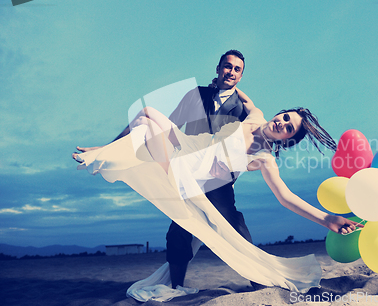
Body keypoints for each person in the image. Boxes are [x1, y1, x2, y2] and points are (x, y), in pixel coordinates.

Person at [73, 85, 362, 301]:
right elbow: (242, 95)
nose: (282, 124)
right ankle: (104, 149)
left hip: (194, 176)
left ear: (286, 140)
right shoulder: (255, 115)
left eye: (288, 129)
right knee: (146, 114)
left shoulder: (264, 156)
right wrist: (229, 79)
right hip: (185, 149)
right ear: (279, 112)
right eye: (285, 117)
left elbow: (285, 197)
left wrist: (328, 219)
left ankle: (259, 281)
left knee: (226, 227)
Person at [75, 50, 254, 290]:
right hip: (188, 172)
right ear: (218, 68)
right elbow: (170, 125)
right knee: (179, 230)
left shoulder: (242, 110)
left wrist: (232, 175)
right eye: (227, 66)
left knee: (234, 225)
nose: (230, 72)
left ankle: (260, 280)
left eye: (236, 69)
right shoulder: (196, 95)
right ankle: (176, 288)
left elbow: (243, 149)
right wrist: (109, 148)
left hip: (218, 178)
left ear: (241, 76)